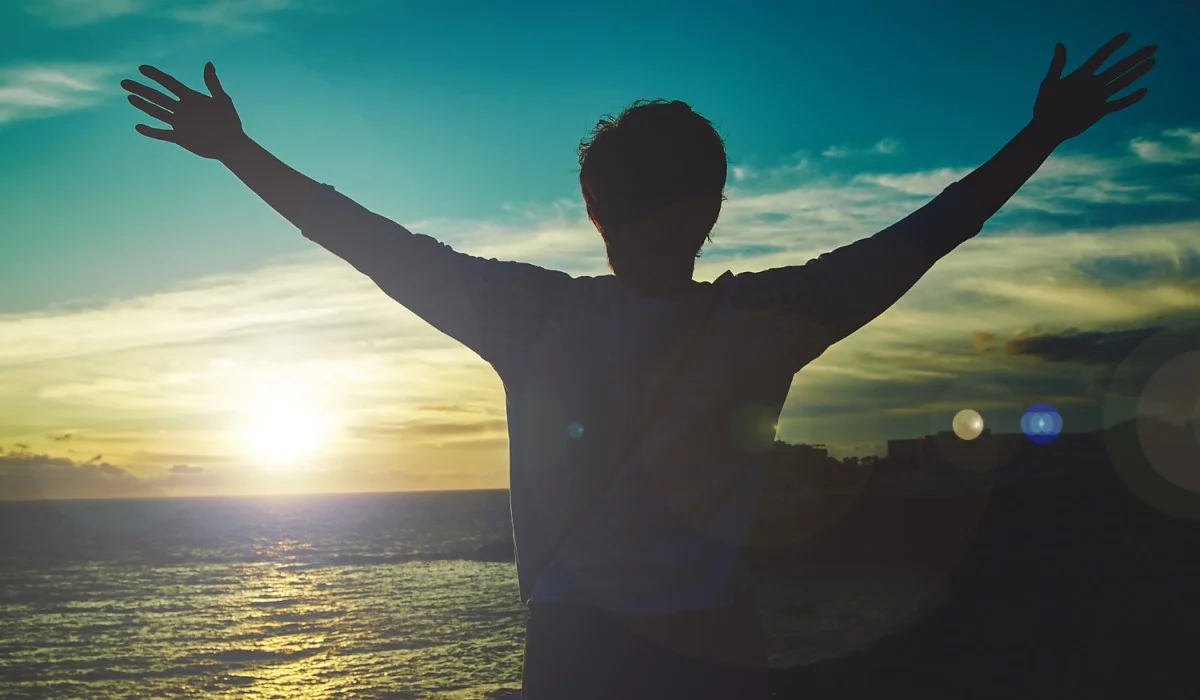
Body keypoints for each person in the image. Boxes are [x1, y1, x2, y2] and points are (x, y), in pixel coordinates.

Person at [119, 31, 1155, 699]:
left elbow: (365, 238)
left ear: (592, 210)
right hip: (721, 645)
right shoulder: (774, 316)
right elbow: (928, 233)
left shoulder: (527, 315)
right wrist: (1039, 136)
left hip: (576, 656)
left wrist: (238, 151)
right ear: (712, 210)